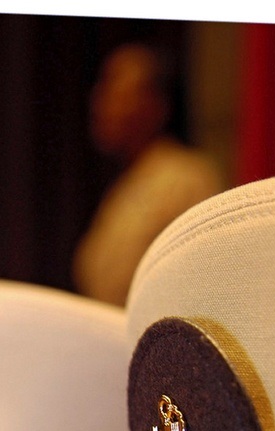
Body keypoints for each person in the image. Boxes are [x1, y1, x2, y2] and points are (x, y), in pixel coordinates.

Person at [72, 43, 222, 307]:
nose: (99, 102)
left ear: (157, 105)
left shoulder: (186, 179)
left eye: (117, 91)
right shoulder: (127, 183)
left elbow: (207, 283)